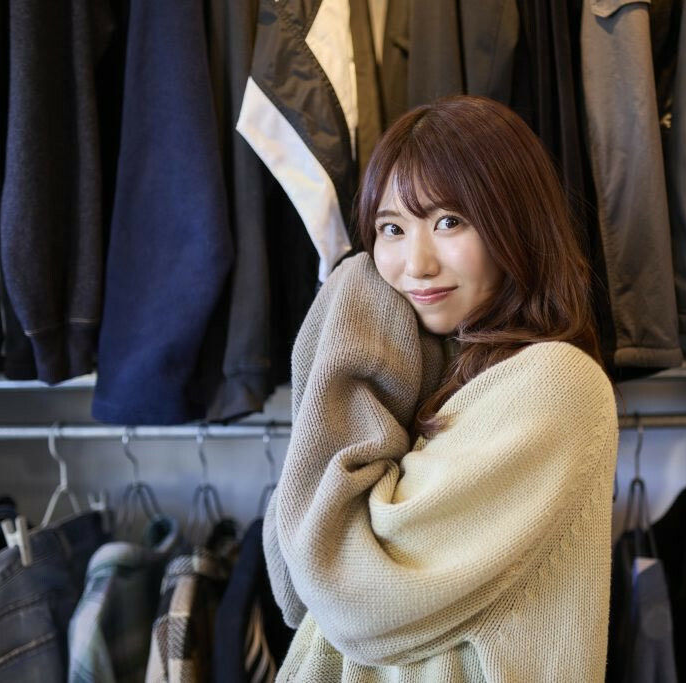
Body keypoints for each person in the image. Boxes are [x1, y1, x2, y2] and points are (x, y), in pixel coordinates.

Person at [263, 95, 619, 682]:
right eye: (391, 229)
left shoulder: (555, 384)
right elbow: (291, 583)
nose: (416, 264)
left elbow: (348, 598)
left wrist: (356, 299)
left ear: (517, 222)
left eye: (449, 221)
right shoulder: (431, 370)